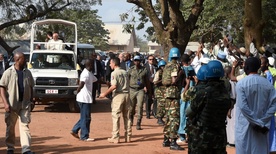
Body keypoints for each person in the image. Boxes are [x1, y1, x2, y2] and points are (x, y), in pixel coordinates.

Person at [186, 60, 231, 154]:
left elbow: (189, 112)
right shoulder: (225, 92)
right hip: (219, 136)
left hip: (202, 136)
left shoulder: (203, 93)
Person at [235, 57, 276, 154]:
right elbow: (274, 104)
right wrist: (263, 121)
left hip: (245, 127)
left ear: (247, 67)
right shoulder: (268, 84)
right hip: (262, 127)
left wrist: (257, 122)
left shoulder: (241, 84)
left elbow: (243, 107)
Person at [0, 52, 35, 154]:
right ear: (17, 60)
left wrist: (32, 100)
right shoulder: (8, 72)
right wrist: (5, 103)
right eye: (23, 59)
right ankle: (10, 148)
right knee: (10, 127)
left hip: (24, 104)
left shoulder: (27, 72)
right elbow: (2, 87)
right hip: (11, 105)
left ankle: (26, 149)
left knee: (25, 126)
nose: (25, 61)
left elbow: (31, 87)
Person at [99, 57, 131, 143]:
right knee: (127, 116)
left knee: (116, 116)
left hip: (119, 95)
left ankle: (115, 137)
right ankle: (128, 136)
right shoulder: (125, 72)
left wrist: (104, 94)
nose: (110, 65)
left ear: (114, 64)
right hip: (127, 94)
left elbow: (114, 86)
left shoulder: (114, 73)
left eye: (110, 63)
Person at [161, 47, 184, 150]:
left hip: (166, 94)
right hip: (173, 95)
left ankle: (166, 139)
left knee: (168, 117)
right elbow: (174, 80)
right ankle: (173, 142)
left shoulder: (166, 66)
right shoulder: (175, 66)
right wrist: (181, 74)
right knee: (175, 118)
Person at [182, 64, 208, 153]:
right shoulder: (222, 90)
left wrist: (188, 84)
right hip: (217, 131)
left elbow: (184, 98)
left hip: (198, 130)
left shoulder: (196, 90)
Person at [70, 59, 98, 142]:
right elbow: (82, 83)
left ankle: (75, 130)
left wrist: (108, 83)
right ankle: (84, 136)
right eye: (92, 64)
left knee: (85, 117)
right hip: (84, 99)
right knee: (86, 118)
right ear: (89, 65)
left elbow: (96, 80)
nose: (93, 66)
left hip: (86, 98)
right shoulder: (85, 74)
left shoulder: (89, 73)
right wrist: (77, 91)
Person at [128, 55, 150, 130]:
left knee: (140, 106)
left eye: (138, 61)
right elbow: (127, 79)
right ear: (134, 61)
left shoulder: (144, 70)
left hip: (140, 90)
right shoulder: (130, 70)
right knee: (131, 107)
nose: (137, 62)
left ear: (140, 61)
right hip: (132, 89)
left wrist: (149, 90)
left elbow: (147, 80)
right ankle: (130, 119)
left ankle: (138, 122)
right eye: (135, 61)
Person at [153, 60, 166, 125]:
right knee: (160, 105)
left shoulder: (166, 73)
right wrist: (162, 80)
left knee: (164, 105)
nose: (163, 68)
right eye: (161, 66)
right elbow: (155, 82)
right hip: (159, 91)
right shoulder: (158, 73)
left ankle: (162, 117)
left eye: (164, 66)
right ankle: (159, 119)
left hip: (165, 91)